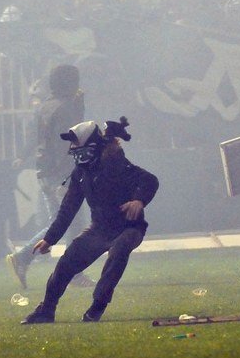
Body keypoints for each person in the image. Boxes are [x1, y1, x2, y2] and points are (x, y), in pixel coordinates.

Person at [21, 117, 159, 324]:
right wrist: (50, 239)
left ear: (93, 146)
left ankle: (97, 306)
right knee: (66, 263)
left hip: (129, 228)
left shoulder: (116, 164)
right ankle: (46, 310)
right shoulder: (80, 174)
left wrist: (139, 200)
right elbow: (68, 209)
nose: (72, 148)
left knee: (119, 250)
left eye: (76, 143)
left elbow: (149, 180)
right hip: (99, 230)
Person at [5, 64, 95, 289]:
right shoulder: (66, 108)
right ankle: (31, 259)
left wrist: (22, 156)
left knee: (63, 223)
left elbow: (36, 136)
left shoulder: (46, 106)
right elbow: (68, 142)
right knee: (72, 224)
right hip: (62, 174)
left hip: (45, 172)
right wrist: (66, 178)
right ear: (70, 83)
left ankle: (28, 259)